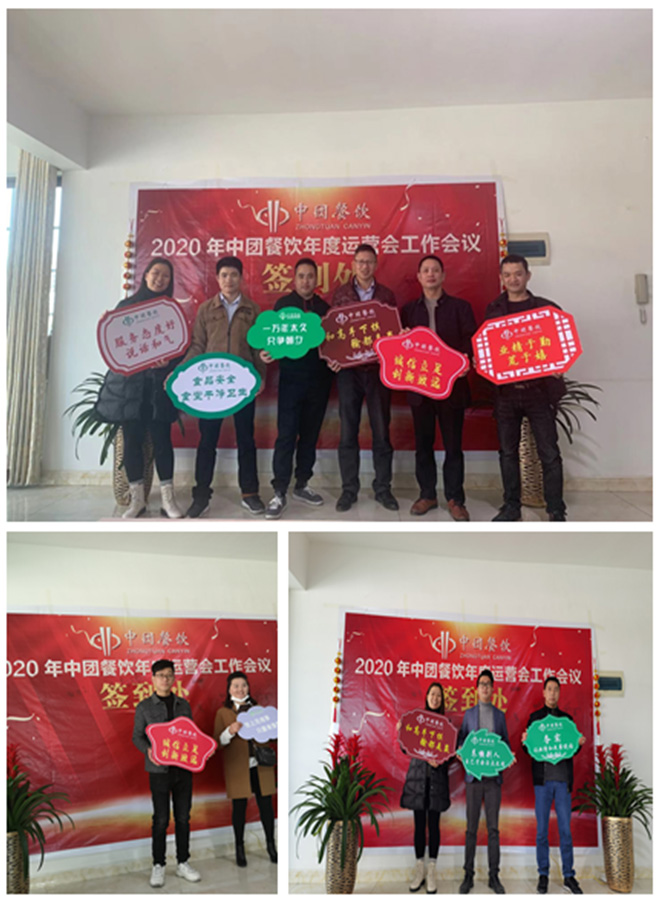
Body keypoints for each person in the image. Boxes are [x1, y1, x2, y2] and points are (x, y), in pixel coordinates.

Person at [95, 257, 184, 519]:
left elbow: (181, 348)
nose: (160, 279)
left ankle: (168, 500)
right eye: (155, 273)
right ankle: (137, 500)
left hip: (159, 390)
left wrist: (170, 361)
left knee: (163, 442)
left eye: (165, 276)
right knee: (132, 442)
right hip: (130, 390)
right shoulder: (125, 308)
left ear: (170, 281)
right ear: (145, 275)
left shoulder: (171, 311)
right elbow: (114, 345)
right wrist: (105, 326)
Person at [183, 256, 267, 518]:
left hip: (243, 385)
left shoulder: (253, 310)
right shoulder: (206, 309)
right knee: (207, 439)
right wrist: (181, 373)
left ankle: (250, 493)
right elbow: (198, 345)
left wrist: (261, 376)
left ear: (241, 278)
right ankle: (201, 495)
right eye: (224, 275)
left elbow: (259, 349)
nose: (229, 280)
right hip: (212, 386)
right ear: (217, 279)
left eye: (234, 275)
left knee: (246, 438)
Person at [485, 254, 567, 522]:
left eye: (518, 274)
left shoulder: (546, 309)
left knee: (549, 453)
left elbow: (561, 344)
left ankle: (556, 509)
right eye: (507, 275)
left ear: (528, 276)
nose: (513, 279)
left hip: (539, 392)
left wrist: (560, 364)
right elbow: (488, 348)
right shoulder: (493, 310)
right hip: (506, 394)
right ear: (501, 278)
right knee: (508, 453)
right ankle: (511, 507)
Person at [400, 255, 477, 521]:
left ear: (443, 276)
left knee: (453, 446)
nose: (430, 274)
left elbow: (470, 341)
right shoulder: (408, 310)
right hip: (420, 389)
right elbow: (400, 347)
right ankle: (427, 495)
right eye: (425, 270)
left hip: (451, 387)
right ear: (419, 277)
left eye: (435, 270)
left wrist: (466, 360)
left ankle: (455, 499)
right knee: (423, 445)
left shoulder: (460, 308)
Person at [261, 258, 334, 519]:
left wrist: (337, 360)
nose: (305, 281)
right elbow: (271, 340)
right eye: (301, 276)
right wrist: (266, 352)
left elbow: (333, 345)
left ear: (317, 280)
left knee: (310, 435)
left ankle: (302, 484)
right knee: (286, 435)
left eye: (310, 276)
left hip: (319, 382)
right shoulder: (283, 305)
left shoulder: (325, 309)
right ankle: (279, 490)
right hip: (291, 381)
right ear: (294, 279)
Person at [331, 243, 399, 512]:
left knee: (381, 431)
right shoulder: (340, 294)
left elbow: (393, 333)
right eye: (360, 261)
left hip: (378, 372)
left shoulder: (386, 295)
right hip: (349, 373)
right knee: (348, 431)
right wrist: (333, 357)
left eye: (369, 261)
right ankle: (349, 490)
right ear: (353, 264)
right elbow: (333, 334)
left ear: (376, 264)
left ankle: (383, 489)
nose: (364, 266)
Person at [132, 659, 201, 888]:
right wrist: (148, 750)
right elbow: (137, 737)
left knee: (183, 817)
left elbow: (192, 735)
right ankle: (158, 865)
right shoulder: (144, 707)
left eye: (169, 675)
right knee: (161, 819)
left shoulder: (183, 705)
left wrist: (203, 750)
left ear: (174, 678)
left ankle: (183, 863)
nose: (165, 679)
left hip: (184, 770)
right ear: (153, 678)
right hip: (159, 771)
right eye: (161, 675)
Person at [522, 676, 586, 894]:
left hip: (563, 782)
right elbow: (528, 749)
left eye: (556, 689)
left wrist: (578, 744)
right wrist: (525, 741)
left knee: (565, 830)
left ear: (559, 693)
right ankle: (543, 874)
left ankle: (569, 876)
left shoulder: (567, 720)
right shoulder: (534, 719)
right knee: (542, 831)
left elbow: (572, 748)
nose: (552, 693)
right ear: (543, 693)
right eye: (549, 689)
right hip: (543, 783)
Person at [213, 671, 277, 866]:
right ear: (229, 689)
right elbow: (217, 742)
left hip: (261, 765)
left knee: (266, 807)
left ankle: (271, 846)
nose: (240, 689)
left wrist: (274, 728)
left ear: (248, 687)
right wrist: (229, 731)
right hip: (238, 767)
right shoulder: (223, 713)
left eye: (243, 685)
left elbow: (273, 736)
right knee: (239, 809)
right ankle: (239, 849)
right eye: (236, 686)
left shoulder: (259, 710)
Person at [457, 669, 511, 895]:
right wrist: (460, 752)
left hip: (493, 780)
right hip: (473, 779)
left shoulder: (500, 716)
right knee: (471, 829)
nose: (485, 687)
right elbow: (461, 741)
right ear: (477, 688)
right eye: (481, 684)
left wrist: (508, 757)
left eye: (488, 684)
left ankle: (494, 876)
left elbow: (505, 744)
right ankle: (468, 875)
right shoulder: (469, 715)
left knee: (493, 829)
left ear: (493, 688)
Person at [398, 682, 451, 895]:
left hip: (437, 782)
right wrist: (402, 732)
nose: (435, 698)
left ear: (442, 700)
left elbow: (450, 754)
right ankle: (419, 870)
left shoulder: (446, 725)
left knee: (434, 826)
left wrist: (441, 761)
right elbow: (405, 748)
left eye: (439, 695)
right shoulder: (417, 720)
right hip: (418, 780)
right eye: (432, 694)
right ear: (427, 697)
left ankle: (431, 872)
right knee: (419, 826)